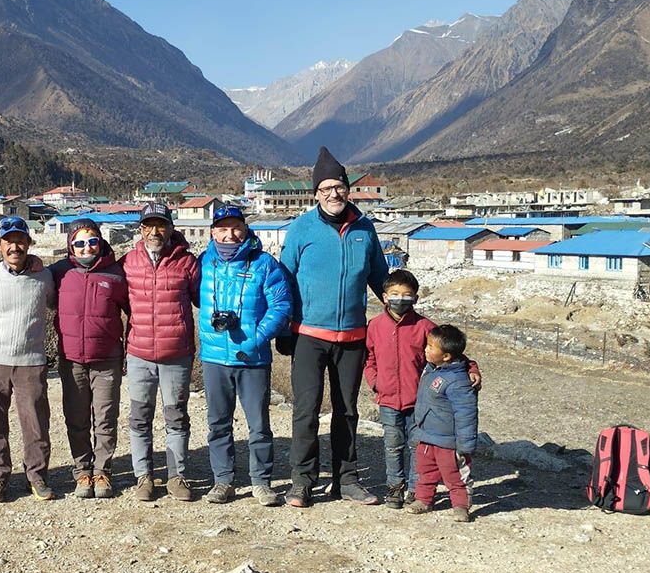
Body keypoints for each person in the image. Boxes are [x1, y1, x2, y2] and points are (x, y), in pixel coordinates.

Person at [278, 147, 389, 508]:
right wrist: (284, 329)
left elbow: (380, 278)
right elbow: (285, 280)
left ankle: (348, 479)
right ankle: (302, 481)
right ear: (316, 194)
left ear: (347, 189)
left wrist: (400, 311)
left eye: (338, 187)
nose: (333, 194)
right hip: (309, 335)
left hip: (353, 336)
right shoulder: (301, 229)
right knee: (306, 410)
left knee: (347, 410)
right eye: (325, 188)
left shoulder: (364, 229)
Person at [197, 206, 293, 505]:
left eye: (236, 227)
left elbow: (281, 305)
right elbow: (191, 295)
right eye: (222, 228)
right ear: (212, 232)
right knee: (218, 423)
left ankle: (261, 482)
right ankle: (222, 481)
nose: (230, 234)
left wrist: (257, 338)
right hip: (214, 357)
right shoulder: (203, 262)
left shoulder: (264, 264)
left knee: (259, 425)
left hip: (252, 358)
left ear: (245, 229)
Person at [364, 270, 481, 509]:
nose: (400, 299)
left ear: (416, 298)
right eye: (395, 294)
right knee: (392, 445)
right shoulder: (375, 326)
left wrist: (472, 367)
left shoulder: (424, 326)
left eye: (407, 295)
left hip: (419, 402)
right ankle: (395, 489)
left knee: (418, 448)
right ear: (384, 297)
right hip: (387, 400)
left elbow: (450, 351)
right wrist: (375, 381)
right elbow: (369, 358)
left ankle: (417, 492)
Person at [121, 202, 201, 502]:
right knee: (139, 417)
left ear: (171, 228)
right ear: (140, 229)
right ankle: (144, 477)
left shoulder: (188, 263)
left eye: (161, 225)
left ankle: (176, 476)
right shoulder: (128, 262)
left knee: (176, 416)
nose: (155, 231)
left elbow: (202, 300)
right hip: (139, 353)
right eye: (148, 226)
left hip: (176, 353)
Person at [0, 217, 57, 502]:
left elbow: (55, 302)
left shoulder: (44, 277)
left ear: (29, 243)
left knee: (35, 423)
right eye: (8, 241)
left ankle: (36, 477)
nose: (15, 246)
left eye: (20, 240)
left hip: (31, 361)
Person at [49, 218, 129, 499]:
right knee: (77, 416)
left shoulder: (116, 274)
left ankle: (103, 470)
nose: (86, 248)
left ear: (101, 241)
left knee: (106, 417)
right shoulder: (59, 272)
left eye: (92, 241)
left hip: (107, 357)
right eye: (79, 243)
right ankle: (82, 470)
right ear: (71, 245)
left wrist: (129, 348)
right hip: (71, 358)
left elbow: (133, 310)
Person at [408, 325, 478, 523]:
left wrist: (465, 445)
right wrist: (417, 430)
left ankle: (461, 506)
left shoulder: (458, 381)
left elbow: (466, 414)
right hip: (427, 435)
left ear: (446, 356)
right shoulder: (431, 370)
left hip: (449, 440)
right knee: (425, 471)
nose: (426, 349)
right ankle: (423, 499)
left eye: (431, 347)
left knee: (455, 475)